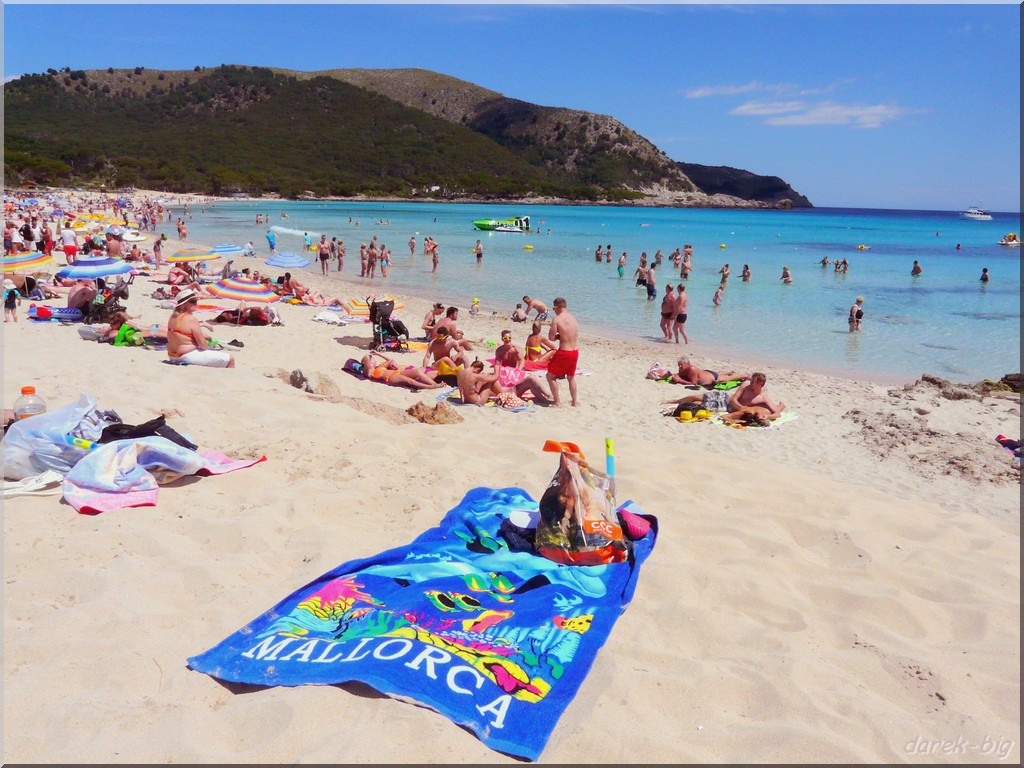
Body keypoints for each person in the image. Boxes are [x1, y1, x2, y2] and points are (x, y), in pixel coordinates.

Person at [166, 289, 235, 367]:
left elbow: (181, 335)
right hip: (187, 355)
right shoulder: (191, 319)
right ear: (184, 304)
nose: (196, 303)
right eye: (193, 301)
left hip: (172, 356)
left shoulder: (172, 317)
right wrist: (201, 339)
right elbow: (203, 345)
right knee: (230, 359)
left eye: (196, 301)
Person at [664, 372, 782, 416]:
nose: (751, 383)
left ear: (761, 384)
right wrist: (743, 409)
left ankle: (677, 407)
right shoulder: (745, 385)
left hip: (726, 408)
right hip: (725, 397)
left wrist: (778, 408)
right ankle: (674, 401)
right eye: (751, 380)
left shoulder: (762, 398)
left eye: (754, 382)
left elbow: (776, 411)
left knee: (699, 404)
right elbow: (735, 399)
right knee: (698, 396)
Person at [494, 329, 554, 403]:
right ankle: (546, 399)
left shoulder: (516, 349)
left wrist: (517, 370)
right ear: (502, 339)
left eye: (509, 338)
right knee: (531, 381)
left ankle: (548, 395)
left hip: (516, 372)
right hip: (506, 375)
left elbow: (522, 361)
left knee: (532, 378)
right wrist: (496, 374)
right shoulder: (499, 351)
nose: (508, 340)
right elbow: (497, 363)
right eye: (505, 338)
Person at [546, 297, 579, 407]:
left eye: (554, 308)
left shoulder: (557, 319)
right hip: (575, 351)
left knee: (550, 377)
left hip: (565, 352)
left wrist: (557, 337)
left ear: (558, 308)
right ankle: (574, 402)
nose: (554, 311)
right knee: (571, 378)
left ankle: (557, 402)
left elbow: (551, 337)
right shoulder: (573, 318)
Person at [360, 351, 445, 390]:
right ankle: (431, 387)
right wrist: (365, 359)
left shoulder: (379, 367)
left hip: (398, 372)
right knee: (410, 381)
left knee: (417, 372)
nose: (376, 361)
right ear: (369, 363)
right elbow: (367, 360)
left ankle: (435, 384)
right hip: (391, 377)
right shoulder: (370, 372)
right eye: (374, 360)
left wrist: (378, 354)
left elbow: (390, 360)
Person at [671, 357, 746, 387]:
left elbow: (694, 383)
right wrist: (675, 377)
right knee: (716, 373)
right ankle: (727, 372)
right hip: (706, 373)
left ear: (687, 364)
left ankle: (745, 375)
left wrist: (679, 380)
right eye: (679, 365)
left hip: (713, 378)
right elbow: (682, 377)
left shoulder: (692, 369)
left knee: (728, 379)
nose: (679, 367)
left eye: (681, 365)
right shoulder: (682, 369)